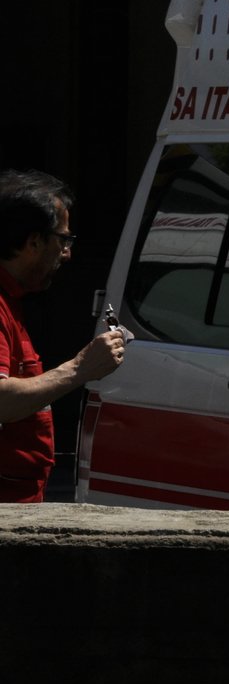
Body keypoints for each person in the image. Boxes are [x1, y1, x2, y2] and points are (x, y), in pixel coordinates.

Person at [0, 169, 125, 502]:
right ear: (34, 241)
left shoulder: (12, 300)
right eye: (64, 239)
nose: (68, 253)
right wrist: (81, 368)